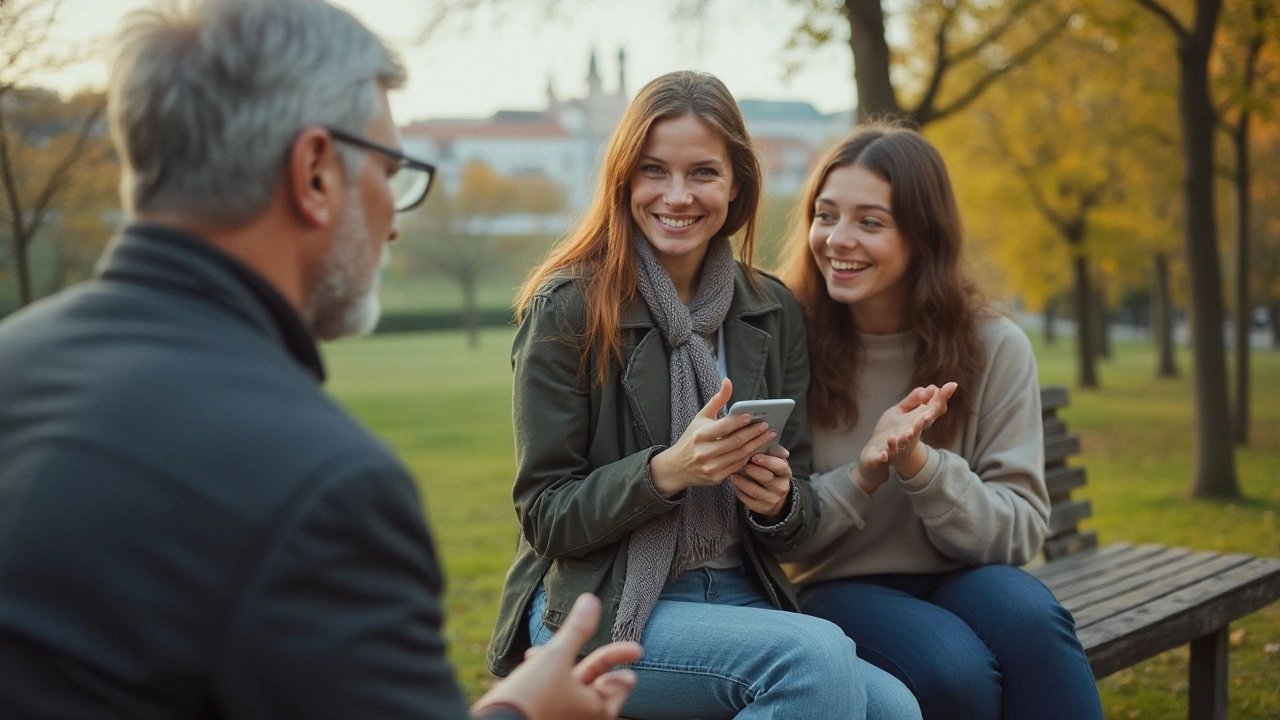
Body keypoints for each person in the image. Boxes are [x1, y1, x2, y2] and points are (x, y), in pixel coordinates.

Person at [0, 1, 642, 718]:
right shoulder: (325, 486)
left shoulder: (14, 359)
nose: (396, 223)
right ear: (313, 173)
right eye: (392, 172)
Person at [485, 71, 921, 720]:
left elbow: (794, 511)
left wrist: (777, 502)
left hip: (742, 593)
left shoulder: (771, 309)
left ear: (737, 184)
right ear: (624, 179)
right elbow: (546, 514)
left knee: (897, 709)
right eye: (654, 171)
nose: (678, 196)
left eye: (703, 174)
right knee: (815, 659)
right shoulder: (570, 307)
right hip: (600, 603)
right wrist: (668, 471)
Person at [776, 126, 1104, 720]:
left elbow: (1021, 532)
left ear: (922, 237)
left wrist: (921, 468)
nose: (838, 239)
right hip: (831, 585)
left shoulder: (993, 345)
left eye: (870, 222)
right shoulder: (786, 341)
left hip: (966, 574)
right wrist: (867, 471)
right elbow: (781, 536)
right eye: (826, 216)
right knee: (953, 672)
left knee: (1033, 620)